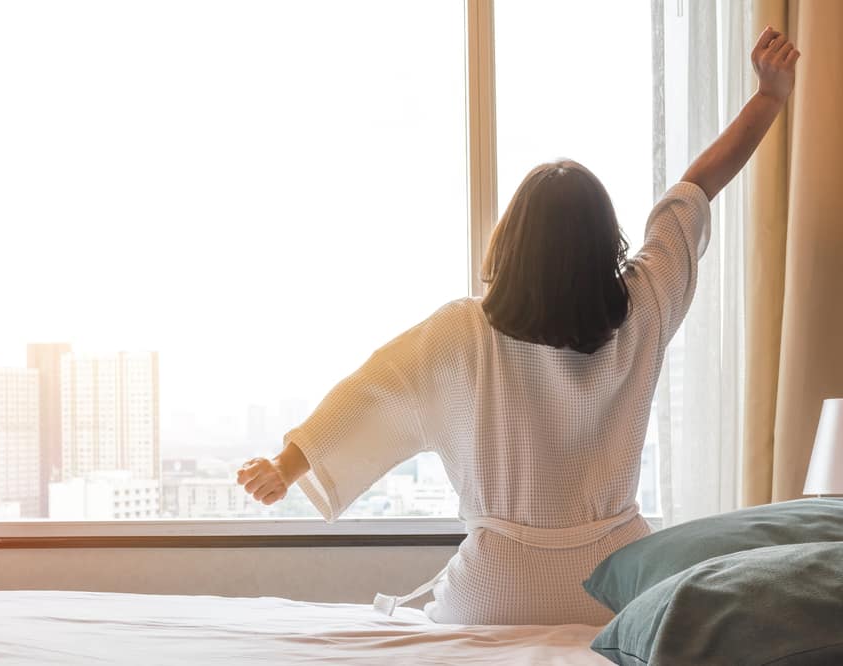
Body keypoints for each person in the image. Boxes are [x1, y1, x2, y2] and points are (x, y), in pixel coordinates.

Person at [237, 27, 800, 626]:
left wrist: (286, 466)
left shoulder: (462, 332)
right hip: (616, 586)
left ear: (511, 240)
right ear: (605, 241)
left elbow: (371, 391)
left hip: (494, 591)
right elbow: (693, 191)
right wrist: (769, 98)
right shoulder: (646, 306)